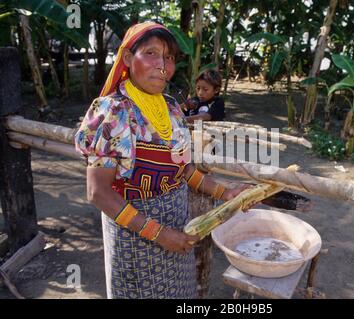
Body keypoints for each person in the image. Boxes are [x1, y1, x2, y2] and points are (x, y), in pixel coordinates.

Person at [74, 21, 247, 299]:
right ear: (128, 58)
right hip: (136, 242)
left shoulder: (172, 109)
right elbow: (98, 192)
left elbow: (184, 170)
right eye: (151, 53)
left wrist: (226, 192)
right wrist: (159, 234)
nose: (162, 64)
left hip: (179, 231)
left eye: (168, 57)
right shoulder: (113, 112)